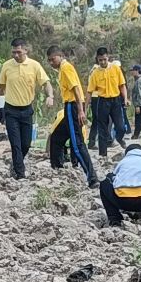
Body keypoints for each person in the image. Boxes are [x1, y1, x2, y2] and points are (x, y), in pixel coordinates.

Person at [0, 41, 47, 179]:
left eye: (19, 52)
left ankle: (16, 164)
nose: (16, 55)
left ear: (26, 51)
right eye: (14, 52)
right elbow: (0, 87)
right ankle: (20, 173)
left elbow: (45, 83)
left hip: (27, 110)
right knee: (15, 144)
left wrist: (50, 96)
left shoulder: (34, 66)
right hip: (11, 110)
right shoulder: (7, 66)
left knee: (26, 144)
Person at [45, 49, 96, 185]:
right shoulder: (62, 69)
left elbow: (76, 90)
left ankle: (92, 178)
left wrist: (80, 110)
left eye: (53, 59)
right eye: (49, 60)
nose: (51, 62)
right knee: (57, 137)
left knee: (77, 143)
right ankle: (57, 168)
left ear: (61, 56)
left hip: (73, 105)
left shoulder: (66, 68)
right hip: (69, 105)